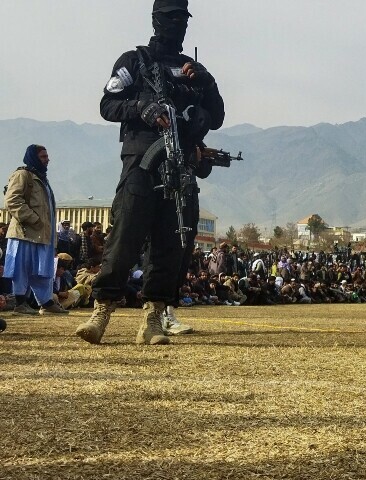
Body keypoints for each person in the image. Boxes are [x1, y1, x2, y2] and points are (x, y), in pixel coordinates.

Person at [75, 0, 224, 345]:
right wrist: (142, 107)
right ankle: (101, 312)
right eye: (172, 18)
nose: (179, 25)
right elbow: (107, 104)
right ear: (157, 20)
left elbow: (215, 118)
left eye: (183, 19)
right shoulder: (134, 61)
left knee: (173, 246)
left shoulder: (194, 69)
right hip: (142, 164)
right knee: (125, 236)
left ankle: (154, 317)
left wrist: (209, 83)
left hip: (181, 167)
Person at [3, 145, 70, 317]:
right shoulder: (22, 175)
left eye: (47, 156)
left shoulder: (41, 178)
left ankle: (46, 303)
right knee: (22, 269)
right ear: (33, 157)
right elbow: (12, 200)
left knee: (42, 270)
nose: (47, 159)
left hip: (41, 235)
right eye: (43, 156)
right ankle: (20, 303)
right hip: (24, 234)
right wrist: (33, 218)